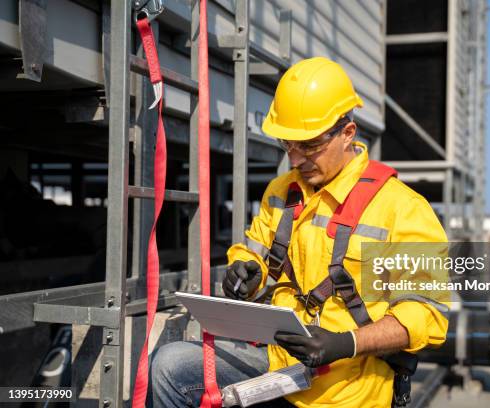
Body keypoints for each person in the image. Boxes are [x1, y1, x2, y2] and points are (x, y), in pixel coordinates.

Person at [149, 57, 449, 408]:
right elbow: (256, 253)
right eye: (288, 145)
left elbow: (427, 314)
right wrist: (247, 271)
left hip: (350, 390)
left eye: (309, 146)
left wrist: (346, 342)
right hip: (277, 369)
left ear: (347, 133)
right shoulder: (281, 192)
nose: (295, 159)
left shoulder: (402, 208)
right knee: (170, 367)